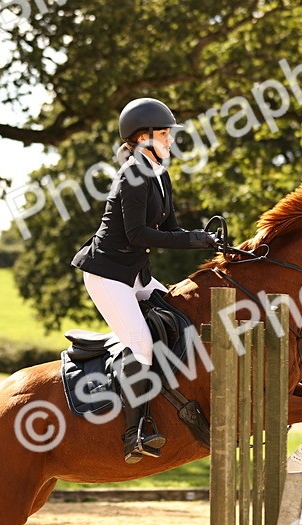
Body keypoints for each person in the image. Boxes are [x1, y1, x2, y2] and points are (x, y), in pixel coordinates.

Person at [71, 97, 218, 464]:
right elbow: (138, 234)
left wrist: (203, 239)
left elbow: (169, 231)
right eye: (165, 134)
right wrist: (190, 239)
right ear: (141, 137)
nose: (170, 141)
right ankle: (135, 433)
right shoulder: (132, 175)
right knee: (142, 347)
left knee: (179, 315)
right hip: (108, 276)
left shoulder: (160, 174)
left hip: (136, 275)